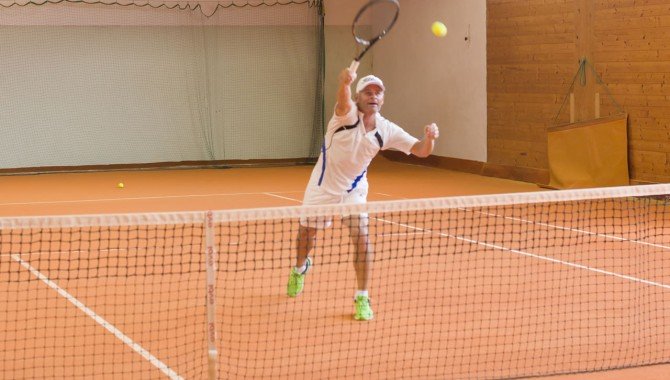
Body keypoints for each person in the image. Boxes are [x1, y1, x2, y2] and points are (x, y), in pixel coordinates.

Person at [286, 67, 439, 321]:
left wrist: (429, 137)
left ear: (383, 99)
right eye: (367, 92)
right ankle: (300, 268)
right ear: (358, 98)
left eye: (378, 93)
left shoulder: (386, 129)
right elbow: (343, 101)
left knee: (362, 238)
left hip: (354, 190)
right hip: (323, 186)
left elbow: (421, 151)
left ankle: (362, 297)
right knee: (306, 233)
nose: (373, 96)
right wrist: (344, 83)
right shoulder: (345, 116)